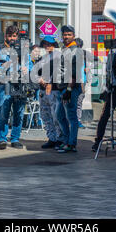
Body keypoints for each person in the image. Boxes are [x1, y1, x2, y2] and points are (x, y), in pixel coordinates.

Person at [0, 25, 31, 150]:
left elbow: (30, 65)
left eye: (14, 36)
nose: (12, 38)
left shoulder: (23, 49)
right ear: (6, 36)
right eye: (10, 35)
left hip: (20, 84)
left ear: (17, 37)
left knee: (19, 112)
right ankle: (2, 139)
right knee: (4, 113)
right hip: (5, 84)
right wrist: (3, 66)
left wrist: (27, 68)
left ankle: (15, 139)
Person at [56, 25, 83, 153]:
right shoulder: (64, 49)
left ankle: (72, 144)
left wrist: (69, 90)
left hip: (71, 88)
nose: (66, 37)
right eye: (64, 34)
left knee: (71, 117)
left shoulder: (76, 50)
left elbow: (74, 73)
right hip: (62, 88)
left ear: (73, 35)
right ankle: (66, 140)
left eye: (68, 34)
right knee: (59, 115)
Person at [35, 36, 62, 148]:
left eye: (49, 44)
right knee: (45, 115)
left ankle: (60, 139)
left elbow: (60, 73)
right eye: (45, 44)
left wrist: (50, 82)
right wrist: (39, 79)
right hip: (42, 91)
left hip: (54, 91)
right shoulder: (41, 58)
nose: (47, 46)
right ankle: (52, 138)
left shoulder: (59, 57)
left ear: (54, 45)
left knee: (55, 116)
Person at [23, 44, 42, 129]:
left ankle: (37, 122)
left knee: (37, 104)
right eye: (35, 51)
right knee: (28, 105)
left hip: (37, 86)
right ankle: (27, 123)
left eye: (38, 51)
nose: (37, 53)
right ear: (31, 52)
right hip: (29, 85)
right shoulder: (27, 60)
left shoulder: (38, 60)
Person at [75, 38, 90, 129]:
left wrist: (86, 70)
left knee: (79, 102)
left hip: (82, 82)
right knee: (73, 102)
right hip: (74, 81)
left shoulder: (83, 55)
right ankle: (73, 121)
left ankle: (78, 120)